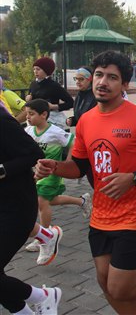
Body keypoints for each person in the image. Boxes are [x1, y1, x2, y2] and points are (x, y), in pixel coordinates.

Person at [33, 50, 136, 315]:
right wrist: (55, 167)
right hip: (101, 214)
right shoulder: (86, 120)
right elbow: (79, 167)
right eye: (99, 75)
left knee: (120, 287)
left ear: (125, 85)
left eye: (112, 77)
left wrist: (133, 179)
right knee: (106, 283)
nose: (102, 82)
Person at [0, 106, 63, 314]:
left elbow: (34, 153)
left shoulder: (2, 121)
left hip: (15, 207)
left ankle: (44, 296)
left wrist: (2, 170)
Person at [22, 99, 91, 262]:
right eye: (27, 114)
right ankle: (81, 201)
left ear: (44, 114)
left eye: (31, 114)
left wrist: (68, 162)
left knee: (42, 202)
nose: (28, 117)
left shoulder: (55, 131)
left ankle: (44, 237)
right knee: (49, 200)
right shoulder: (28, 130)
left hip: (51, 172)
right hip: (35, 172)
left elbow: (73, 141)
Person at [26, 57, 74, 128]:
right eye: (34, 69)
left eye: (38, 69)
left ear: (46, 71)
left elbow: (70, 102)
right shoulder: (33, 84)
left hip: (51, 119)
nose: (35, 71)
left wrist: (54, 106)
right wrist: (28, 99)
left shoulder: (54, 86)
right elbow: (29, 101)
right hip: (35, 119)